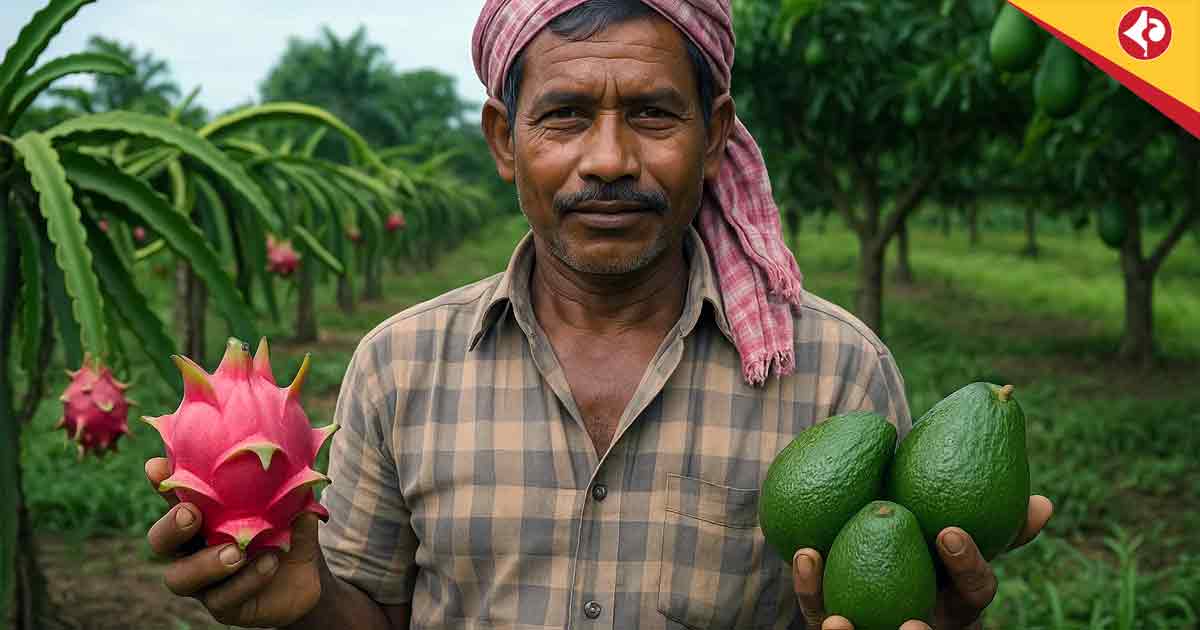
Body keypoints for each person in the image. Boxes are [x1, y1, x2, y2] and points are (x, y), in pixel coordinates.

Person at [144, 1, 1053, 628]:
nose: (609, 159)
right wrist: (307, 604)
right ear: (504, 139)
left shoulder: (837, 372)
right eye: (566, 116)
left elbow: (879, 594)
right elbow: (376, 615)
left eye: (654, 114)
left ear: (716, 133)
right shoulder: (399, 365)